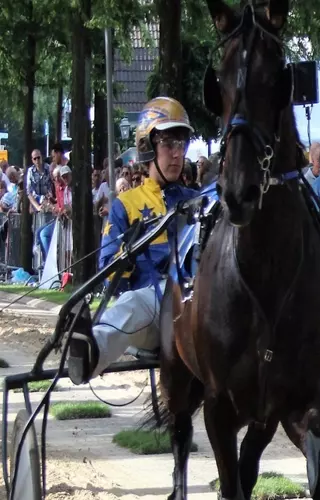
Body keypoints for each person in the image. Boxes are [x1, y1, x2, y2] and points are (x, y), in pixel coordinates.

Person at [66, 97, 204, 386]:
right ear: (147, 148)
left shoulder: (197, 201)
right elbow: (108, 273)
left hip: (198, 304)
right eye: (169, 145)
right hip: (152, 312)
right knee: (132, 303)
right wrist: (126, 258)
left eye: (182, 145)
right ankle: (91, 352)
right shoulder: (125, 205)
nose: (178, 155)